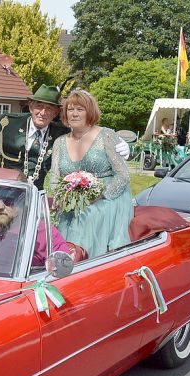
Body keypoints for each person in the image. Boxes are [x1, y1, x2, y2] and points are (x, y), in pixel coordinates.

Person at [0, 84, 129, 190]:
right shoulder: (7, 124)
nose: (43, 112)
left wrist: (119, 142)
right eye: (39, 106)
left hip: (33, 196)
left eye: (49, 109)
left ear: (56, 112)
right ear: (30, 106)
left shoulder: (60, 133)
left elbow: (89, 131)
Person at [47, 89, 133, 257]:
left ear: (90, 112)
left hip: (109, 197)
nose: (74, 113)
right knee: (57, 220)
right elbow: (55, 178)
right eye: (70, 109)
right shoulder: (59, 143)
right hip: (72, 198)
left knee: (87, 216)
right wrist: (61, 196)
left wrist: (100, 195)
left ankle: (83, 264)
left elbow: (123, 175)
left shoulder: (106, 135)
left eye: (80, 109)